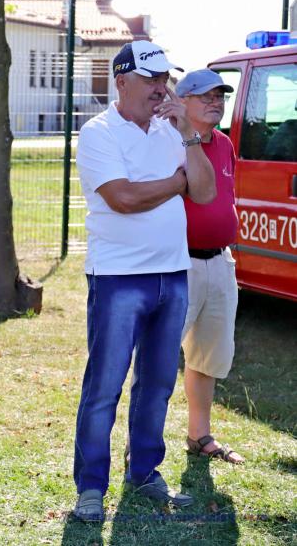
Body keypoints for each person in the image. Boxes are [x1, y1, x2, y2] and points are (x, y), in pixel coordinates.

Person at [71, 40, 216, 522]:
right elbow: (124, 198)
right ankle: (91, 487)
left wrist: (189, 134)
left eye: (164, 79)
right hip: (118, 278)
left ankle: (145, 472)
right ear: (121, 82)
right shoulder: (98, 132)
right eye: (150, 79)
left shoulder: (173, 130)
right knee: (105, 387)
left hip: (172, 275)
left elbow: (205, 191)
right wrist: (176, 183)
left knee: (156, 384)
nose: (161, 88)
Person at [175, 69, 244, 465]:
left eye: (220, 96)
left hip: (219, 261)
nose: (216, 103)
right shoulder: (169, 141)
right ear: (182, 101)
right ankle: (140, 445)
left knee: (208, 358)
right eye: (206, 96)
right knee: (158, 358)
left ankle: (199, 436)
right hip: (177, 263)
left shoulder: (224, 143)